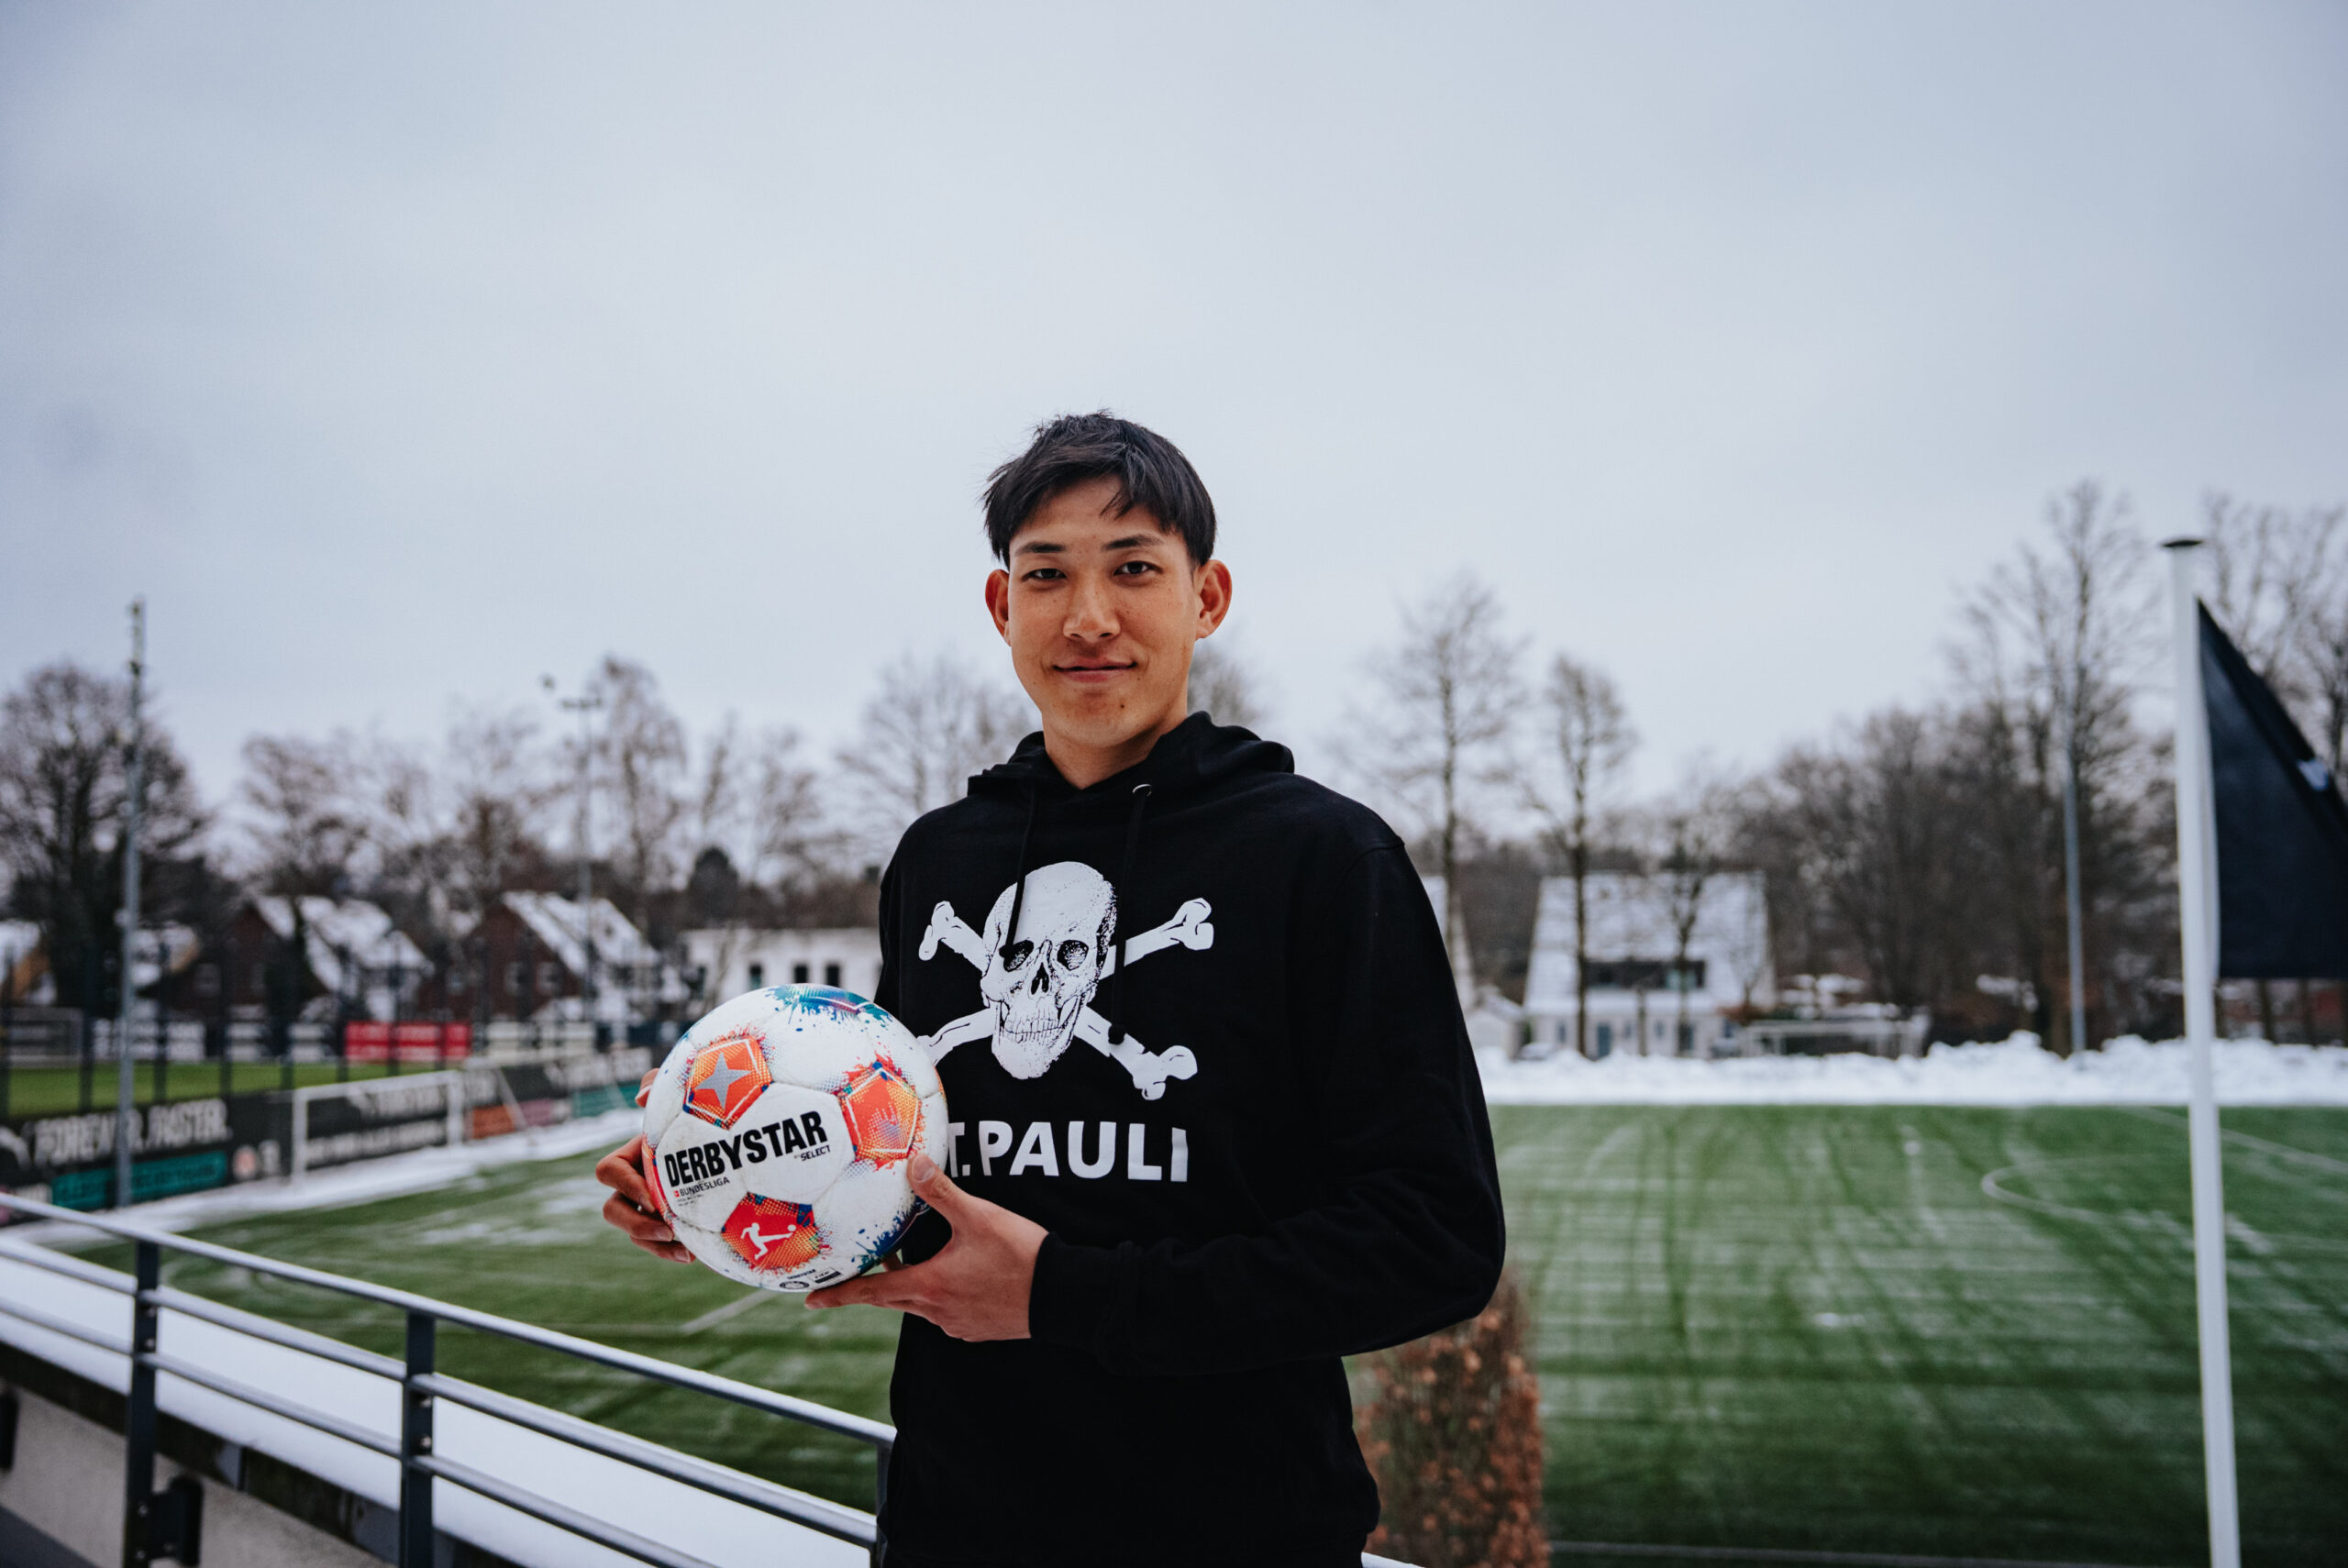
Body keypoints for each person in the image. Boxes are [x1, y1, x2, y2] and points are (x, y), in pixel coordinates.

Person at [598, 412, 1504, 1567]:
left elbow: (1434, 1243)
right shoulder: (940, 864)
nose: (1088, 618)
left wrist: (1065, 1295)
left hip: (1241, 1536)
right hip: (950, 1528)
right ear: (1000, 607)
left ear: (1208, 596)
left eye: (1134, 568)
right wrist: (731, 1187)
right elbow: (907, 1179)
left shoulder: (1325, 861)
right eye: (1048, 576)